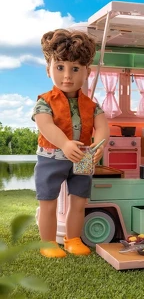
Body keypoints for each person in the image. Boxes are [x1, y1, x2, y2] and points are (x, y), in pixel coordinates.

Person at [32, 29, 109, 258]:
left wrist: (99, 145)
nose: (67, 76)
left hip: (83, 157)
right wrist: (65, 144)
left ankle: (73, 239)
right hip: (51, 157)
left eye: (75, 69)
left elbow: (102, 127)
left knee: (79, 200)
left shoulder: (91, 105)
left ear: (87, 72)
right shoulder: (45, 101)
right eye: (60, 67)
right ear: (48, 70)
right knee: (48, 201)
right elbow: (45, 125)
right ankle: (47, 243)